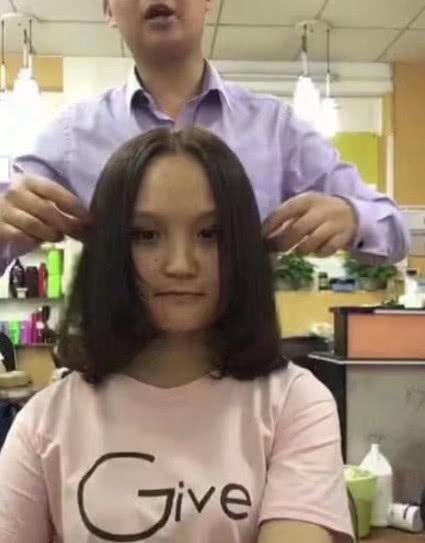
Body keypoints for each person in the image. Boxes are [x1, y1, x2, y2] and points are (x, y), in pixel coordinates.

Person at [0, 127, 353, 543]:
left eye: (210, 234)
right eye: (146, 235)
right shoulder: (45, 422)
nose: (180, 264)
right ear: (112, 249)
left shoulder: (294, 404)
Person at [0, 0, 409, 274]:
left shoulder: (276, 129)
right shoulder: (71, 137)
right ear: (108, 8)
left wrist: (352, 216)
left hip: (243, 365)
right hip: (115, 366)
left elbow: (394, 230)